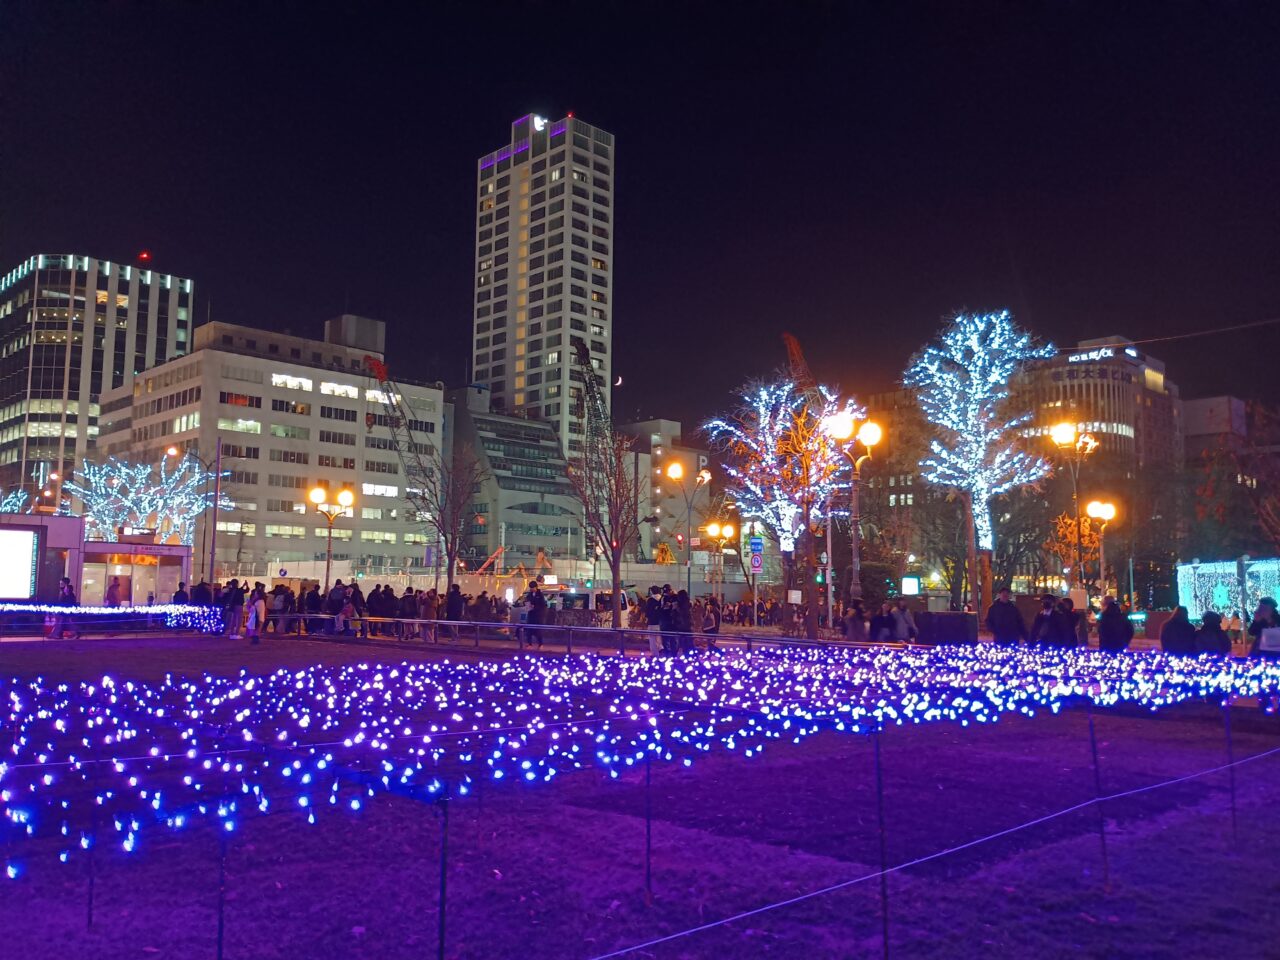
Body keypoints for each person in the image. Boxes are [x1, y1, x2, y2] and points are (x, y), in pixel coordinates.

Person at [644, 586, 663, 655]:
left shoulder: (650, 600)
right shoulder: (662, 599)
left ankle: (655, 654)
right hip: (661, 623)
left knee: (652, 639)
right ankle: (661, 649)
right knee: (659, 639)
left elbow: (647, 612)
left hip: (652, 622)